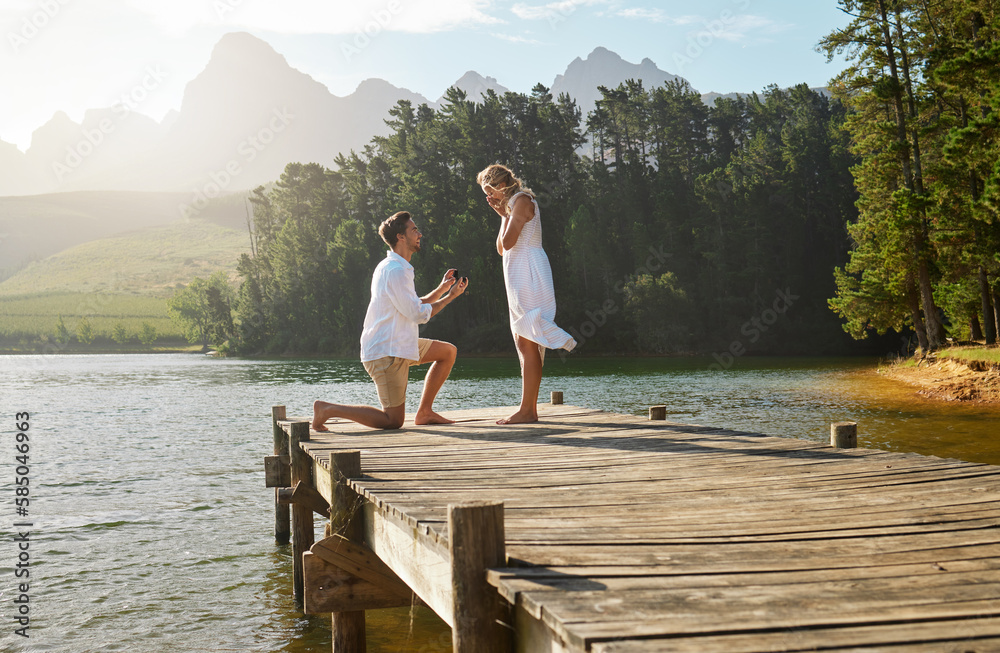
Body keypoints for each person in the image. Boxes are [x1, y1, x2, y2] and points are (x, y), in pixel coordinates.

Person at [312, 211, 468, 431]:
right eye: (414, 230)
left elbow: (412, 304)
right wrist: (451, 297)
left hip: (401, 344)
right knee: (392, 421)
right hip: (386, 352)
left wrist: (442, 289)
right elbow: (417, 314)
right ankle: (327, 410)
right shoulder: (395, 271)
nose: (420, 234)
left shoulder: (394, 267)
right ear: (400, 237)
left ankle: (424, 412)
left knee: (447, 352)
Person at [477, 164, 576, 424]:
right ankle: (528, 409)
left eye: (488, 190)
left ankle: (527, 410)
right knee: (524, 341)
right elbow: (501, 248)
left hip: (529, 271)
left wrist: (505, 213)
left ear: (499, 185)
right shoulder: (511, 207)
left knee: (527, 340)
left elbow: (509, 242)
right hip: (517, 271)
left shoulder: (521, 200)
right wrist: (501, 215)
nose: (488, 197)